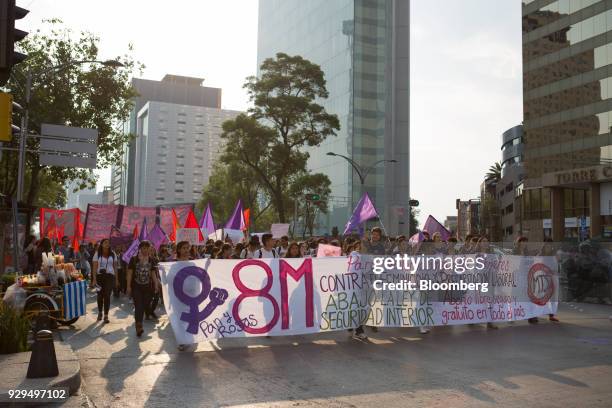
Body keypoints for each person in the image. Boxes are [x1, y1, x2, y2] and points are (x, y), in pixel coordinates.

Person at [127, 240, 160, 337]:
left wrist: (156, 285)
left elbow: (153, 273)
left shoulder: (151, 260)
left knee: (146, 304)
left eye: (147, 248)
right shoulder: (134, 259)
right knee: (139, 305)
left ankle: (142, 319)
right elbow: (129, 273)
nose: (145, 250)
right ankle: (139, 325)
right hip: (136, 286)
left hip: (148, 287)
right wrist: (128, 286)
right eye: (143, 248)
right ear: (140, 248)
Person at [91, 238, 119, 323]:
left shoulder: (113, 253)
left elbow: (115, 267)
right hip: (99, 277)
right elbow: (95, 267)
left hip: (109, 277)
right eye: (105, 243)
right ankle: (100, 312)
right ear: (102, 244)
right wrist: (94, 279)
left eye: (108, 243)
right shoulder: (97, 254)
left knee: (107, 295)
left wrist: (117, 279)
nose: (107, 244)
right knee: (100, 295)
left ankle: (106, 315)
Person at [537, 237, 560, 322]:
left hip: (553, 276)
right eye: (547, 243)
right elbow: (537, 262)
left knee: (553, 296)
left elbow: (557, 264)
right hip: (543, 277)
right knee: (542, 295)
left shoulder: (554, 253)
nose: (548, 245)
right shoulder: (541, 253)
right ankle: (537, 313)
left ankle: (551, 315)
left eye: (550, 244)